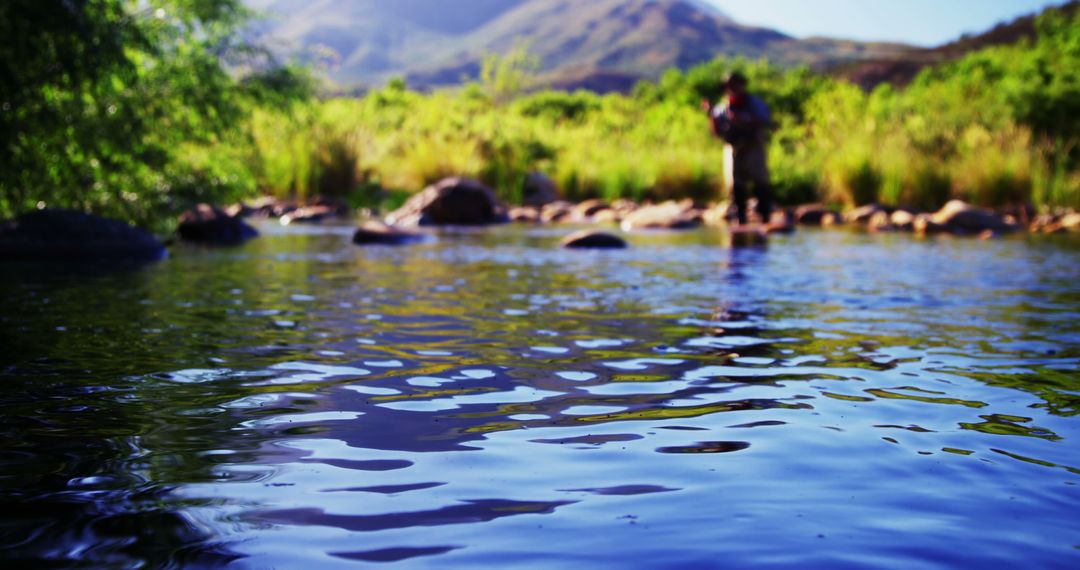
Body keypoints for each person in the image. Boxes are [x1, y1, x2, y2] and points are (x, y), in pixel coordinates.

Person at [702, 72, 774, 226]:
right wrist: (710, 115)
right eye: (729, 86)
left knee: (761, 183)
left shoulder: (755, 104)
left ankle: (765, 218)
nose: (732, 88)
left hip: (754, 148)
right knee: (736, 187)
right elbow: (716, 133)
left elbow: (765, 121)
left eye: (735, 85)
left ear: (742, 85)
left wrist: (744, 120)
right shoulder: (722, 108)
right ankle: (740, 220)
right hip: (733, 150)